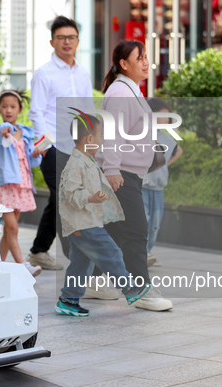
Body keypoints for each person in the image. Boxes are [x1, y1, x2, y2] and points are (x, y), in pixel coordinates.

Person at [93, 40, 173, 311]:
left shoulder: (129, 90)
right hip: (122, 173)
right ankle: (141, 290)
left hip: (129, 172)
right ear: (124, 64)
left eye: (146, 57)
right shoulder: (120, 93)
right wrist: (112, 170)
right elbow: (113, 134)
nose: (145, 62)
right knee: (137, 231)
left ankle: (94, 282)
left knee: (115, 231)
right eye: (139, 58)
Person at [56, 115, 150, 316]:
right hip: (82, 223)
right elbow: (70, 192)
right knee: (111, 252)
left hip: (86, 221)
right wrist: (91, 198)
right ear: (89, 139)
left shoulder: (87, 161)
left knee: (81, 263)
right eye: (100, 136)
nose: (102, 141)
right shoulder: (76, 164)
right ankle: (130, 288)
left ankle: (68, 299)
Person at [27, 16, 94, 271]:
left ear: (78, 41)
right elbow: (36, 112)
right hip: (53, 148)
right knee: (66, 199)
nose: (67, 42)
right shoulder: (44, 74)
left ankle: (39, 250)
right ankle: (78, 261)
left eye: (72, 37)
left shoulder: (83, 72)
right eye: (62, 37)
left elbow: (88, 109)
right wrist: (44, 148)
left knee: (58, 200)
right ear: (52, 41)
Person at [0, 90, 43, 277]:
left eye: (12, 106)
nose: (8, 110)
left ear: (20, 109)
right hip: (5, 185)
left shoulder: (26, 132)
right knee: (13, 227)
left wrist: (37, 154)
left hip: (22, 184)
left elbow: (31, 160)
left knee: (8, 230)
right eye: (4, 106)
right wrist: (3, 131)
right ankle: (23, 264)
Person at [143, 98, 183, 267]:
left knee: (155, 224)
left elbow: (179, 151)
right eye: (164, 115)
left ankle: (149, 251)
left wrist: (165, 164)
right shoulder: (142, 133)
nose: (167, 120)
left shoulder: (167, 138)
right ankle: (143, 252)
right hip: (143, 186)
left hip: (159, 188)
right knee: (143, 220)